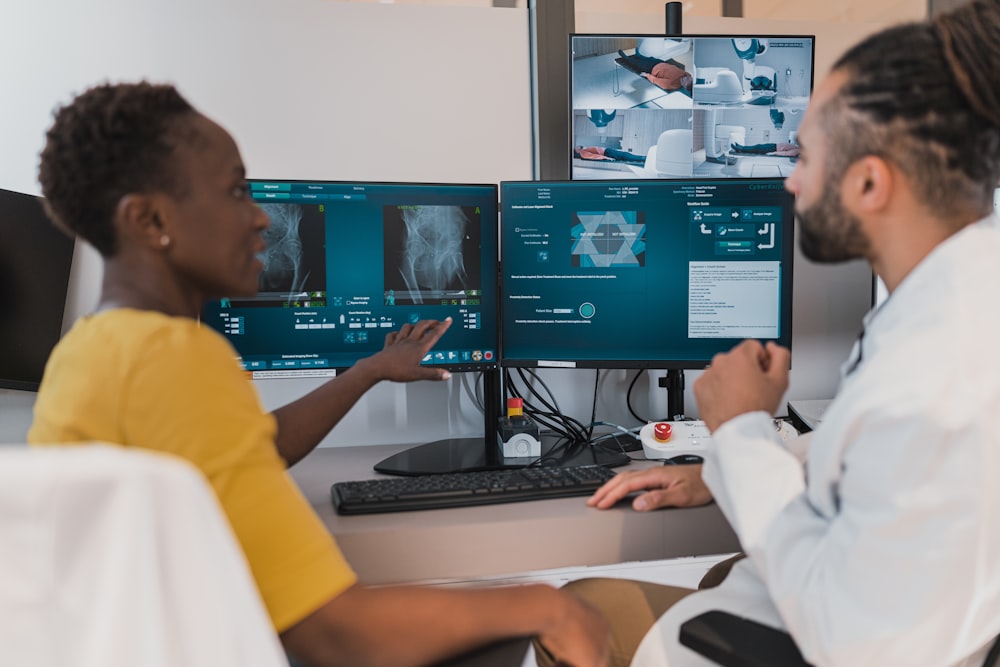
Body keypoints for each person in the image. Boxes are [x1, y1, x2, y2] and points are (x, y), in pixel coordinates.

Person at [28, 81, 609, 667]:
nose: (260, 218)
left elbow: (254, 450)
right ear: (150, 219)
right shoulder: (173, 356)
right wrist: (545, 604)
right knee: (551, 616)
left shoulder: (92, 349)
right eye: (235, 190)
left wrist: (368, 371)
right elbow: (335, 636)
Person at [559, 1, 1000, 665]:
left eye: (806, 154)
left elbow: (856, 641)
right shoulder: (951, 300)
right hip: (796, 605)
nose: (790, 178)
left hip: (804, 639)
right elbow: (882, 465)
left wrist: (738, 429)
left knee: (575, 604)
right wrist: (724, 468)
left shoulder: (943, 371)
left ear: (870, 181)